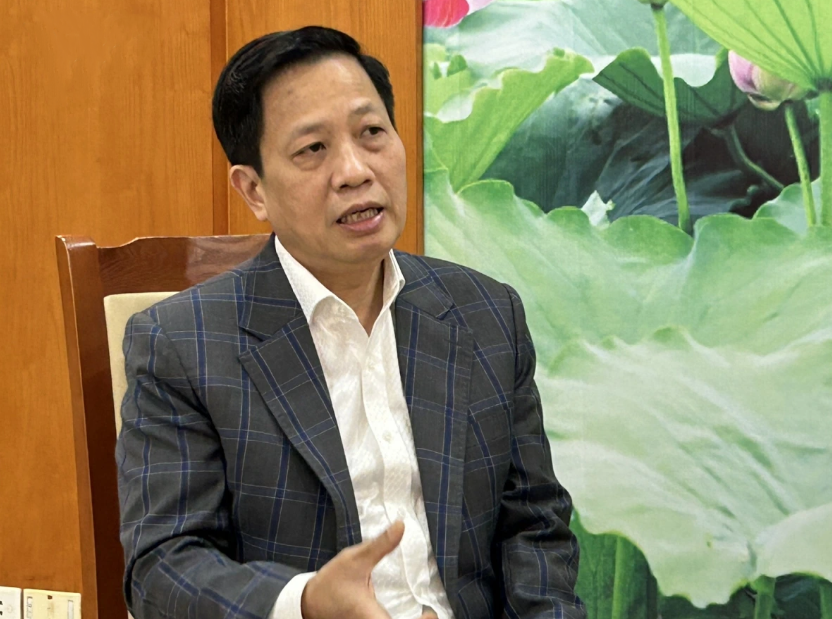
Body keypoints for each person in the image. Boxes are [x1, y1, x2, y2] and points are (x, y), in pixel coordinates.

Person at [116, 26, 584, 619]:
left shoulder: (486, 313)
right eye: (313, 149)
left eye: (372, 133)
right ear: (253, 190)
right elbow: (163, 568)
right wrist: (306, 601)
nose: (355, 171)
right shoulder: (182, 345)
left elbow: (534, 527)